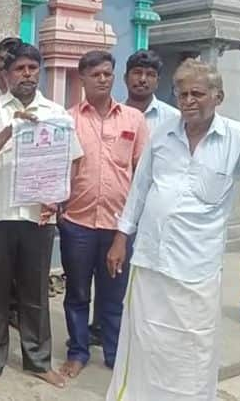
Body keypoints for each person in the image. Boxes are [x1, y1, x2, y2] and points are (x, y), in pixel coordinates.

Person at [105, 58, 240, 401]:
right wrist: (121, 238)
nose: (188, 100)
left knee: (191, 350)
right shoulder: (162, 134)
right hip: (150, 260)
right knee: (145, 343)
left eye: (197, 93)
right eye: (182, 94)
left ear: (217, 97)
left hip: (196, 268)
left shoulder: (239, 139)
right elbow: (140, 188)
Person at [0, 42, 82, 390]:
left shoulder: (57, 114)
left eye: (32, 68)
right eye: (19, 69)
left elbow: (71, 162)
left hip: (38, 217)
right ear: (5, 75)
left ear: (39, 71)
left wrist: (59, 199)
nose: (27, 74)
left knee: (34, 292)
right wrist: (10, 129)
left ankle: (38, 360)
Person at [58, 50, 149, 379]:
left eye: (108, 74)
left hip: (118, 227)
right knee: (77, 293)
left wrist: (132, 227)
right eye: (95, 74)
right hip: (77, 224)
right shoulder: (67, 120)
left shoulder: (133, 120)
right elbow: (57, 171)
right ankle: (78, 352)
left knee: (114, 296)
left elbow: (142, 174)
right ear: (81, 78)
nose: (102, 79)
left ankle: (114, 354)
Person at [124, 49, 179, 133]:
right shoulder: (113, 116)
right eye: (137, 72)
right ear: (125, 78)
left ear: (157, 82)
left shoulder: (174, 118)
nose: (142, 79)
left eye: (150, 74)